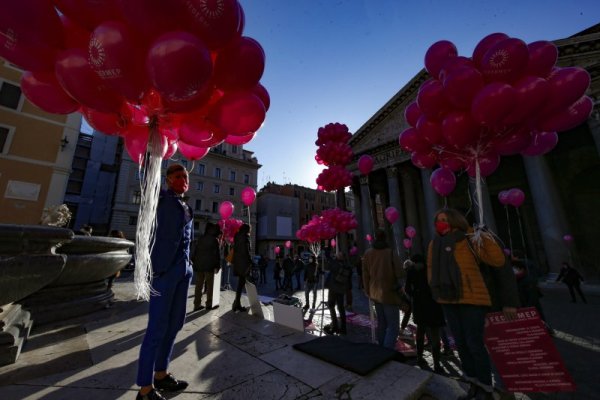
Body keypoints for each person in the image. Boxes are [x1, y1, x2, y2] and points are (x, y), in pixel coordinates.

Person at [427, 208, 518, 400]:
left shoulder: (469, 239)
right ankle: (472, 383)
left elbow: (497, 260)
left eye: (444, 220)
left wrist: (483, 236)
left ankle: (485, 387)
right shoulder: (434, 244)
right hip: (448, 299)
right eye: (438, 220)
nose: (440, 223)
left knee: (474, 343)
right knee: (460, 343)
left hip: (472, 298)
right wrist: (436, 290)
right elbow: (430, 269)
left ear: (454, 221)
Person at [136, 163, 193, 400]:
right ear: (168, 179)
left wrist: (189, 267)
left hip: (183, 273)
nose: (183, 180)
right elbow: (148, 177)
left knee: (174, 324)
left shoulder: (186, 205)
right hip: (164, 273)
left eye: (185, 176)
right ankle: (145, 389)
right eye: (178, 176)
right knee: (156, 328)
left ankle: (161, 374)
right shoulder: (160, 197)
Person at [362, 229, 405, 349]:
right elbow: (400, 272)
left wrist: (367, 290)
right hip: (389, 292)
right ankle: (386, 351)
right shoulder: (390, 252)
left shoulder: (368, 253)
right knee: (393, 326)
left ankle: (381, 348)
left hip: (375, 293)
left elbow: (365, 275)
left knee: (382, 323)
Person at [404, 254, 445, 373]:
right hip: (433, 304)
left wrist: (415, 295)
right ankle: (437, 364)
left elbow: (407, 289)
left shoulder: (411, 271)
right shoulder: (431, 269)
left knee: (420, 331)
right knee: (434, 334)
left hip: (419, 305)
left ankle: (420, 357)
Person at [513, 260, 553, 334]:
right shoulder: (516, 280)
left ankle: (546, 331)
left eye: (515, 269)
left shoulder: (527, 280)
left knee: (539, 322)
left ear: (521, 269)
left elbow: (533, 297)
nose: (513, 271)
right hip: (525, 307)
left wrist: (528, 308)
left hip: (531, 307)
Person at [192, 222, 221, 311]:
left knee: (199, 285)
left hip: (199, 265)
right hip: (209, 266)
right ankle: (209, 304)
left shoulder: (201, 238)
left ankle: (197, 304)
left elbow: (195, 251)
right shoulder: (214, 240)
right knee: (210, 286)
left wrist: (194, 261)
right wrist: (217, 265)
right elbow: (216, 255)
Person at [323, 252, 352, 335]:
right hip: (341, 290)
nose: (336, 255)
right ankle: (343, 328)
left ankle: (335, 326)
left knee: (331, 306)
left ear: (340, 256)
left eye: (338, 254)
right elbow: (349, 280)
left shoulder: (335, 264)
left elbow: (327, 266)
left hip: (333, 289)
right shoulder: (347, 265)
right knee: (341, 308)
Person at [232, 223, 252, 312]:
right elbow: (246, 252)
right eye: (250, 229)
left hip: (237, 262)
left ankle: (237, 303)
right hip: (244, 264)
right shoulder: (245, 238)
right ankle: (237, 304)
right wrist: (250, 261)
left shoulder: (237, 237)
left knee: (240, 284)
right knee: (241, 284)